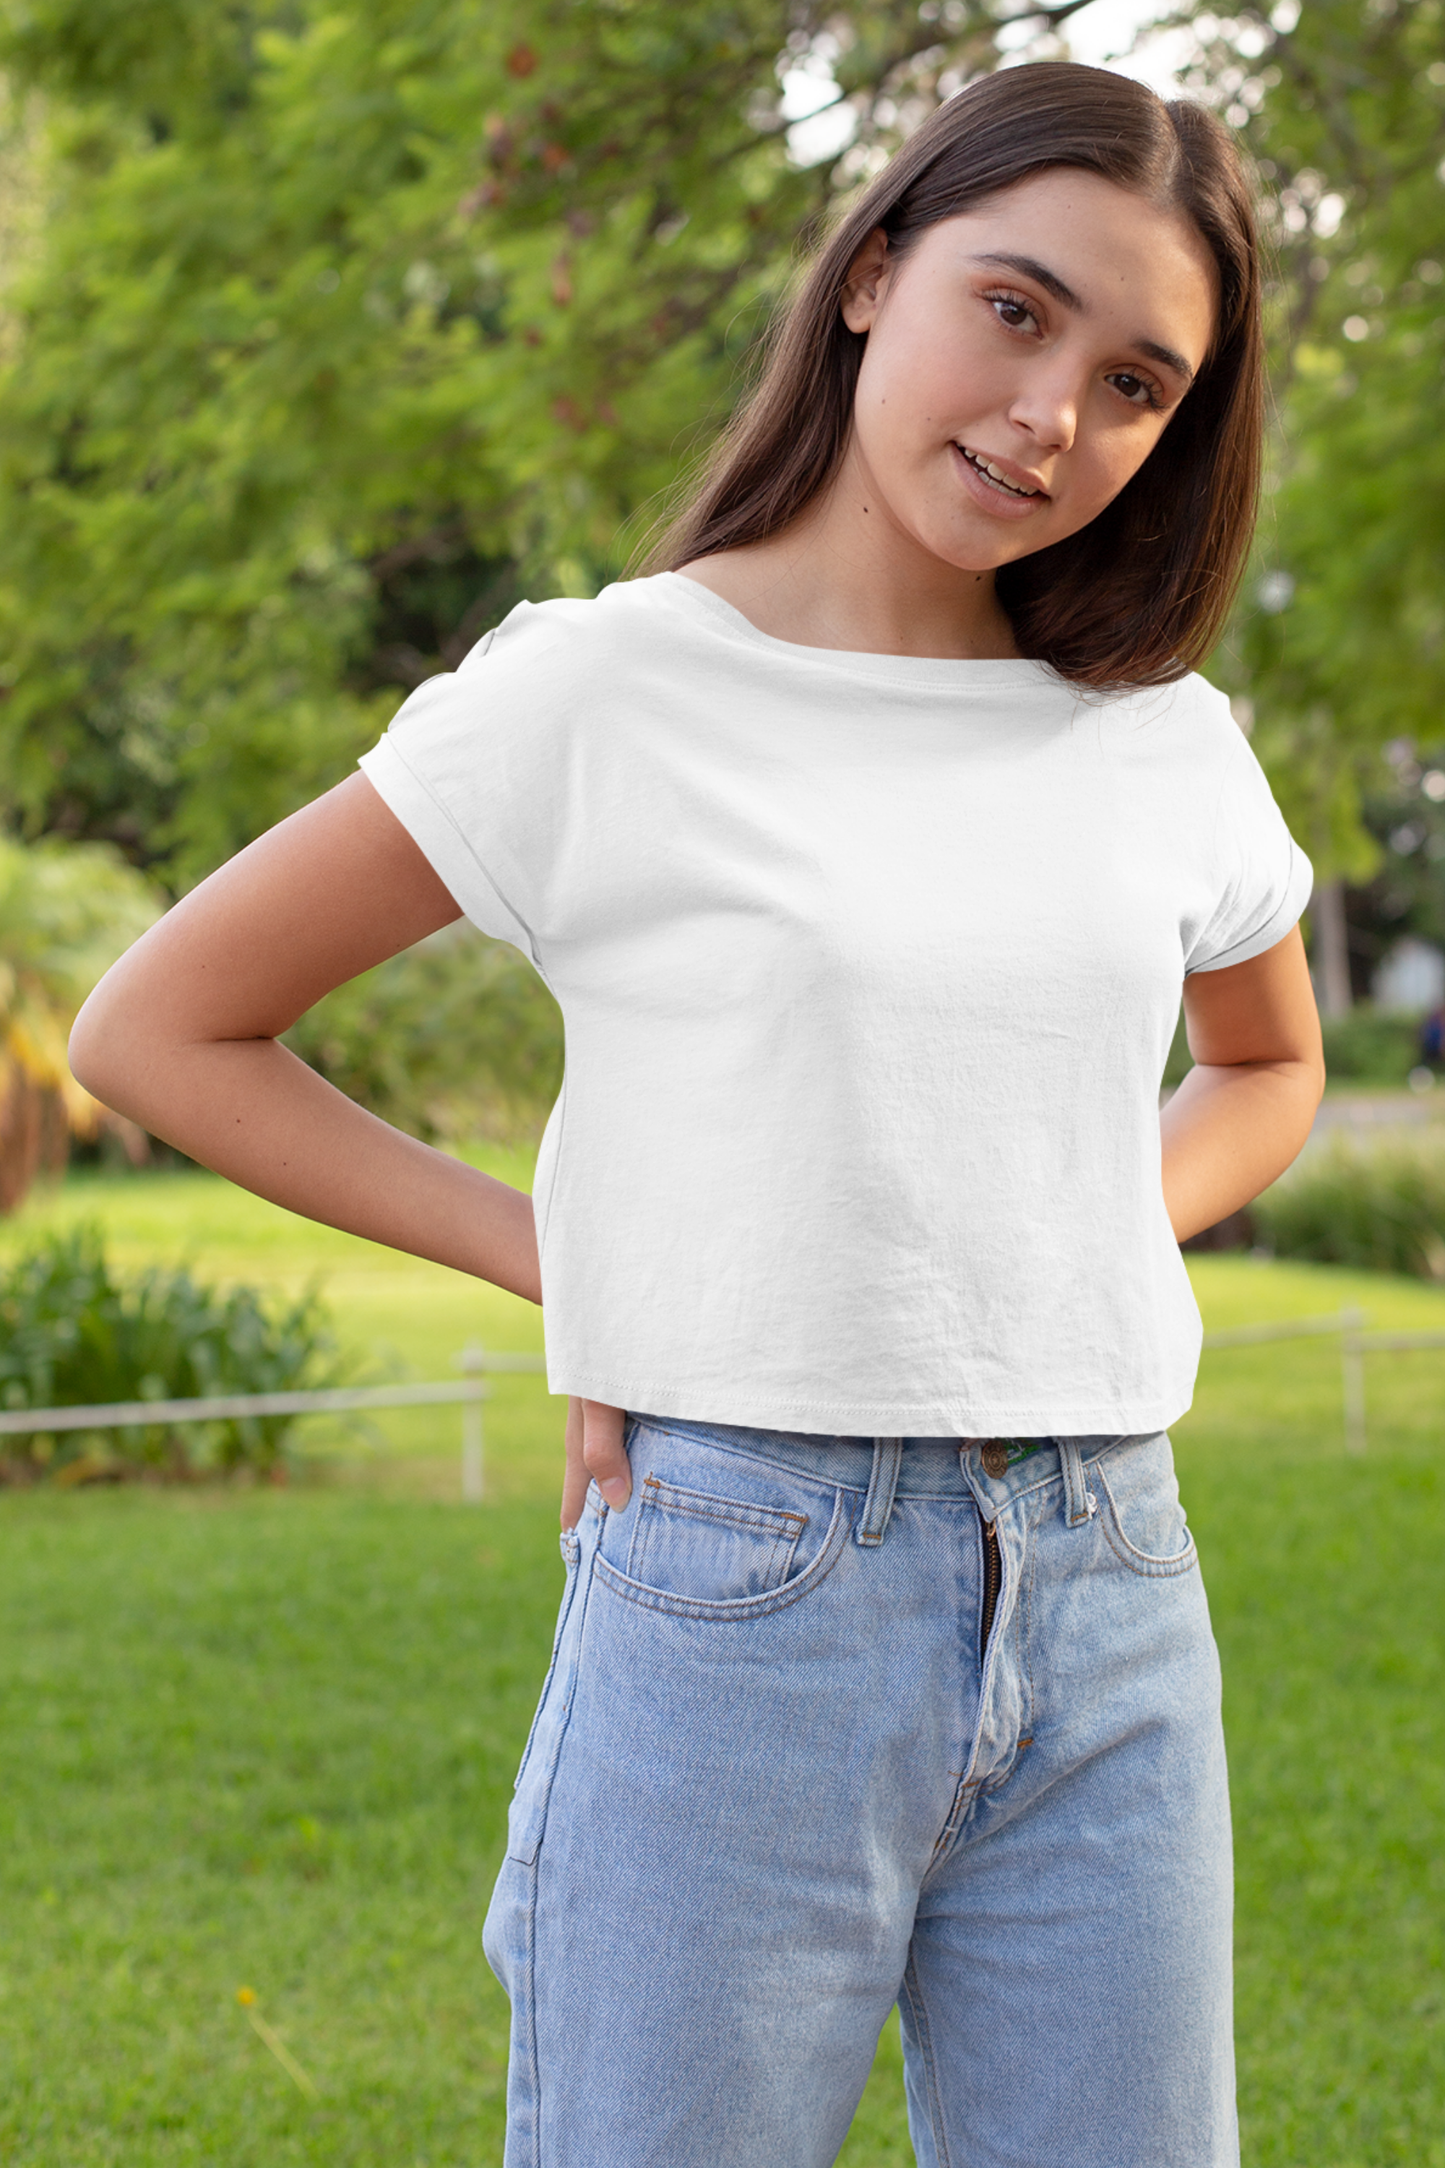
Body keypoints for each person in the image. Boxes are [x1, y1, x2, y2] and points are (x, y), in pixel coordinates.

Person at [71, 60, 1325, 2168]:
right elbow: (163, 1028)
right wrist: (581, 1271)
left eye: (1133, 384)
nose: (1051, 416)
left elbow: (1267, 1064)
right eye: (1012, 311)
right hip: (744, 1575)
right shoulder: (605, 688)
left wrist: (1087, 1222)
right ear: (871, 272)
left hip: (1113, 1574)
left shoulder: (1157, 735)